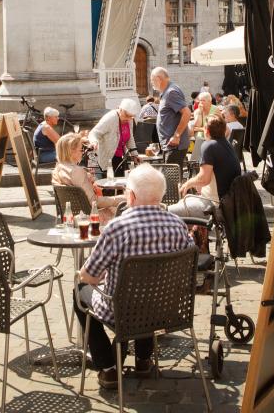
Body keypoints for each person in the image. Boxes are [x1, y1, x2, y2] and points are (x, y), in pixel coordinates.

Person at [75, 164, 195, 389]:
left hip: (122, 311)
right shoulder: (179, 226)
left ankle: (108, 368)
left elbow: (89, 277)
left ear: (130, 196)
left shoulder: (117, 228)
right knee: (151, 290)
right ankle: (143, 359)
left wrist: (84, 275)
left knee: (79, 291)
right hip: (166, 311)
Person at [170, 116, 242, 217]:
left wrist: (187, 184)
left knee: (168, 212)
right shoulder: (227, 144)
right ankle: (194, 231)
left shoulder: (209, 146)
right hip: (229, 201)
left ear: (206, 131)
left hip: (215, 204)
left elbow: (204, 179)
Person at [52, 133, 121, 223]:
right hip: (88, 218)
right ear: (71, 151)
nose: (83, 152)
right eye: (81, 150)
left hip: (71, 217)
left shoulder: (58, 169)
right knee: (123, 209)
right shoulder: (76, 171)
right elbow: (94, 202)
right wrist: (119, 199)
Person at [87, 98, 141, 177]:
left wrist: (134, 154)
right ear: (120, 109)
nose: (128, 119)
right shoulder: (110, 118)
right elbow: (94, 133)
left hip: (121, 158)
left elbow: (130, 138)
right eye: (126, 116)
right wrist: (94, 142)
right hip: (108, 158)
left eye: (131, 117)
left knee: (122, 184)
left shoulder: (130, 120)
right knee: (110, 185)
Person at [149, 67, 191, 165]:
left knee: (171, 179)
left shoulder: (171, 92)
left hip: (174, 146)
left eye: (152, 80)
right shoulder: (168, 91)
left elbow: (187, 113)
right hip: (170, 146)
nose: (151, 83)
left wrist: (176, 135)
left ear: (159, 79)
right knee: (171, 178)